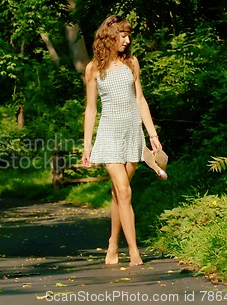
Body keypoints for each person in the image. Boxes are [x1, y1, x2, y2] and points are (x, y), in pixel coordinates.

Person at [82, 15, 162, 266]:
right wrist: (87, 144)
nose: (127, 40)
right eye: (122, 35)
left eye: (129, 36)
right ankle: (134, 251)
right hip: (109, 135)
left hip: (132, 134)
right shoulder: (93, 68)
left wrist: (152, 134)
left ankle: (112, 244)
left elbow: (140, 100)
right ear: (109, 37)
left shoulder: (132, 63)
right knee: (125, 191)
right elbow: (91, 109)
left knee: (119, 194)